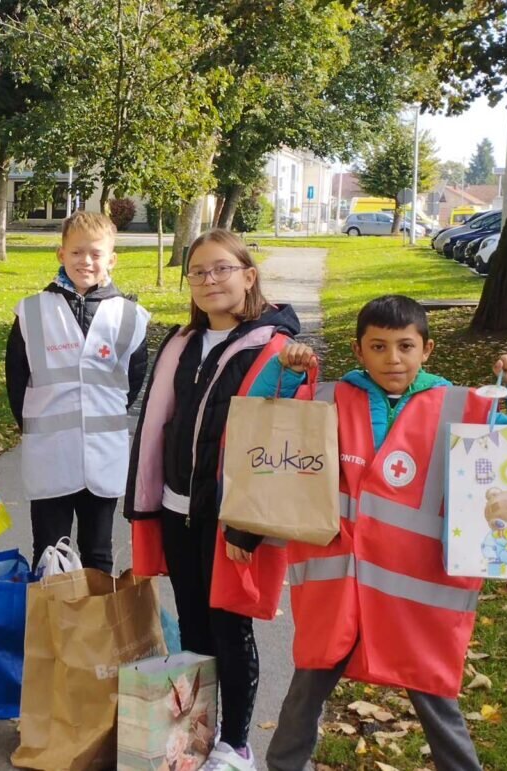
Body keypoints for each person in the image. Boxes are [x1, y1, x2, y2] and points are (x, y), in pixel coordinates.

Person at [266, 295, 507, 771]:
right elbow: (266, 412)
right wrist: (288, 369)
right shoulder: (329, 398)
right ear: (358, 352)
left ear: (428, 350)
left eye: (405, 346)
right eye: (378, 347)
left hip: (419, 594)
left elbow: (505, 446)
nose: (393, 358)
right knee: (304, 695)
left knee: (436, 702)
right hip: (337, 587)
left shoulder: (464, 406)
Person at [125, 229, 302, 771]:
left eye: (222, 268)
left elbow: (279, 438)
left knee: (230, 626)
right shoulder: (180, 342)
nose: (209, 280)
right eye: (198, 272)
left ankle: (237, 743)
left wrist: (296, 372)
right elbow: (161, 422)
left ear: (248, 275)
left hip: (229, 517)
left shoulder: (274, 347)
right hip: (179, 507)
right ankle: (194, 736)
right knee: (195, 624)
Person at [5, 210, 150, 574]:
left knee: (98, 552)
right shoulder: (33, 311)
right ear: (61, 254)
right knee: (49, 553)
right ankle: (52, 631)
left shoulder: (129, 316)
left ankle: (93, 632)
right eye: (76, 252)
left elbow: (131, 382)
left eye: (96, 254)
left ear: (111, 259)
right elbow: (16, 381)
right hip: (50, 454)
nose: (86, 261)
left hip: (104, 456)